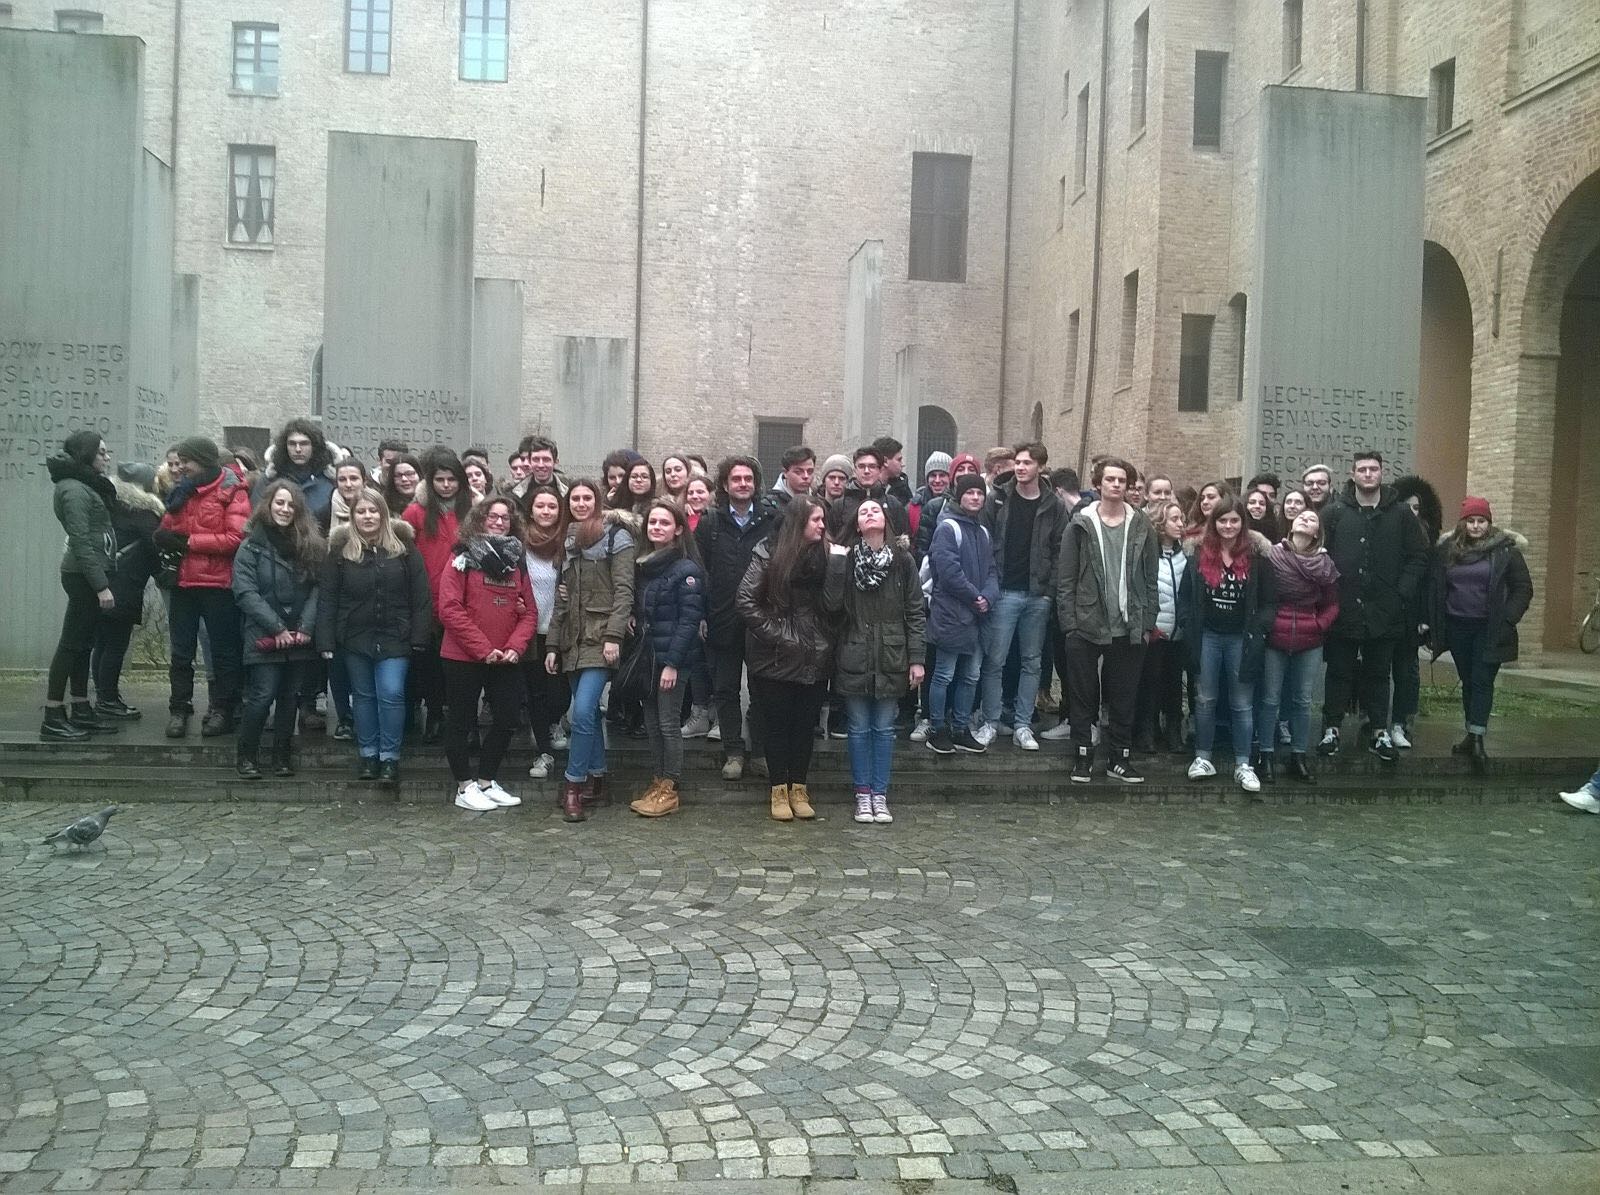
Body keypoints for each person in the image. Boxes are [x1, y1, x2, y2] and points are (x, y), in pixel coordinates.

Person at [737, 496, 844, 821]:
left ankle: (800, 787)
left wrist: (838, 566)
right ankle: (778, 789)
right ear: (799, 522)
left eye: (823, 519)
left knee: (803, 727)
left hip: (816, 652)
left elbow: (834, 605)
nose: (823, 525)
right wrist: (781, 636)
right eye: (816, 520)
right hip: (775, 657)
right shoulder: (768, 552)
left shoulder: (828, 554)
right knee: (777, 726)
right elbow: (745, 600)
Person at [1318, 451, 1428, 763]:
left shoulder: (1401, 514)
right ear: (1352, 474)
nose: (1368, 474)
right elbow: (1319, 554)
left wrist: (1400, 593)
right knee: (1339, 671)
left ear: (1382, 473)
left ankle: (1379, 730)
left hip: (1385, 610)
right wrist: (1330, 594)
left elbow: (1419, 556)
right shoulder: (1335, 512)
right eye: (1362, 470)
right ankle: (1332, 728)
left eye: (1374, 469)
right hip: (1343, 609)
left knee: (1379, 673)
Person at [317, 490, 433, 786]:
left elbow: (420, 595)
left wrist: (420, 635)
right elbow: (328, 597)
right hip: (354, 636)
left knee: (392, 693)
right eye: (361, 512)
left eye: (373, 511)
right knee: (364, 697)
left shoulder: (404, 548)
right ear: (352, 516)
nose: (367, 517)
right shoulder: (340, 552)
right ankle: (368, 754)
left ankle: (390, 757)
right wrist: (326, 640)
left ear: (383, 515)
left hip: (396, 635)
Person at [1055, 457, 1158, 783]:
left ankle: (1120, 758)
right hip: (1086, 622)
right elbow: (1066, 579)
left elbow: (1151, 578)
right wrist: (1070, 624)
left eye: (1122, 480)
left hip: (1129, 624)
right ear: (1098, 484)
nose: (1116, 485)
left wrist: (1147, 621)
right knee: (1084, 696)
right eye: (1110, 479)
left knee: (1124, 697)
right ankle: (1083, 756)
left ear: (1128, 487)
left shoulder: (1142, 525)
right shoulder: (1080, 524)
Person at [828, 497, 925, 824]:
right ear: (857, 524)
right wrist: (837, 566)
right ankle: (863, 794)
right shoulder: (847, 558)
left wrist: (917, 658)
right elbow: (831, 605)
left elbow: (915, 611)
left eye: (876, 510)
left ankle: (880, 794)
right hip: (855, 651)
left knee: (883, 729)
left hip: (892, 653)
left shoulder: (903, 561)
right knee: (858, 728)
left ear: (885, 519)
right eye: (863, 511)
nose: (870, 513)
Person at [438, 496, 537, 811]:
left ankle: (486, 781)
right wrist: (484, 649)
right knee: (461, 720)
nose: (499, 521)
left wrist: (514, 647)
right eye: (492, 516)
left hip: (504, 657)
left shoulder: (516, 561)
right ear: (479, 519)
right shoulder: (461, 556)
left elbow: (529, 613)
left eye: (505, 518)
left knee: (507, 717)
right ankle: (464, 786)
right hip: (463, 656)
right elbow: (449, 609)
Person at [546, 480, 637, 822]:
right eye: (575, 499)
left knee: (581, 712)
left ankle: (573, 785)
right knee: (589, 716)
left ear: (597, 501)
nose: (581, 503)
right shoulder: (568, 539)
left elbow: (625, 592)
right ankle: (597, 779)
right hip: (572, 639)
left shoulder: (617, 537)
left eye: (587, 498)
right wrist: (553, 643)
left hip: (601, 639)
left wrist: (614, 636)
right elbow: (561, 598)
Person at [1179, 495, 1278, 795]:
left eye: (1234, 520)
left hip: (1241, 637)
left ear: (1242, 523)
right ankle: (1203, 757)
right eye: (1223, 520)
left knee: (1242, 702)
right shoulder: (1199, 555)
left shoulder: (1257, 558)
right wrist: (1188, 622)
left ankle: (1243, 763)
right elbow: (1186, 596)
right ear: (1214, 523)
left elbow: (1269, 602)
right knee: (1206, 699)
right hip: (1207, 635)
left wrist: (1259, 627)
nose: (1228, 526)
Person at [1428, 497, 1532, 774]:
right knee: (1468, 681)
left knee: (1483, 680)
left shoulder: (1506, 551)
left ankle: (1477, 738)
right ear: (1463, 522)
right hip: (1457, 626)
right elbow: (1436, 586)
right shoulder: (1447, 550)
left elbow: (1523, 588)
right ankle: (1471, 732)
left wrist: (1508, 619)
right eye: (1471, 521)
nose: (1476, 526)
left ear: (1489, 522)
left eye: (1481, 521)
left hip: (1491, 628)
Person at [157, 436, 251, 739]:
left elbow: (236, 539)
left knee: (224, 651)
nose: (180, 467)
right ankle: (179, 709)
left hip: (218, 584)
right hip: (183, 582)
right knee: (181, 652)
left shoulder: (232, 490)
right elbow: (168, 526)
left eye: (186, 461)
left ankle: (223, 708)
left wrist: (188, 542)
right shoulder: (181, 491)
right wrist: (162, 535)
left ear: (203, 461)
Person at [232, 480, 325, 779]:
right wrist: (276, 627)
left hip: (299, 636)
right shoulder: (251, 546)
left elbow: (317, 590)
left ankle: (281, 757)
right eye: (279, 503)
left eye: (290, 505)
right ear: (268, 505)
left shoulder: (309, 545)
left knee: (290, 699)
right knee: (262, 697)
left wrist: (305, 627)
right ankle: (246, 756)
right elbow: (246, 592)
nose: (284, 509)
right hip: (263, 635)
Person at [977, 443, 1064, 751]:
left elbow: (1059, 550)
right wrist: (990, 584)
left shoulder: (1054, 504)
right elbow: (984, 540)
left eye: (1027, 462)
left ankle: (1023, 725)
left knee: (1031, 662)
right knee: (995, 659)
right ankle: (990, 720)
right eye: (1018, 462)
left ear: (1040, 466)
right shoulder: (999, 498)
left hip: (1037, 594)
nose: (1020, 467)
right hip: (1004, 590)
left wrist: (1049, 591)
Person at [696, 456, 779, 781]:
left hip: (762, 620)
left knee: (761, 690)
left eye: (748, 478)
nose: (742, 483)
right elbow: (700, 571)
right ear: (725, 485)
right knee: (726, 689)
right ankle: (733, 751)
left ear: (756, 483)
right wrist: (702, 614)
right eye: (736, 479)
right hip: (722, 616)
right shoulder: (710, 523)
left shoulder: (772, 520)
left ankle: (758, 749)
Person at [629, 499, 708, 818]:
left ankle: (670, 787)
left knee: (667, 722)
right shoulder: (645, 564)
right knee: (651, 723)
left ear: (678, 529)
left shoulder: (686, 570)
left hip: (672, 660)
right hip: (649, 657)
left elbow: (689, 621)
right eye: (652, 523)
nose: (656, 527)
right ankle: (658, 778)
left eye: (664, 523)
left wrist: (673, 664)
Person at [41, 431, 120, 741]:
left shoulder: (84, 485)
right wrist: (101, 585)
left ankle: (81, 707)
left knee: (83, 643)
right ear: (87, 454)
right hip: (82, 576)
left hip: (91, 573)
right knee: (71, 644)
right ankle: (53, 714)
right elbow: (81, 541)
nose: (107, 457)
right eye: (101, 452)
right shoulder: (74, 490)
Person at [1256, 508, 1339, 784]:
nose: (1305, 518)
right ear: (1291, 525)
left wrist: (1319, 625)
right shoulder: (1272, 556)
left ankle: (1298, 756)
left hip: (1309, 638)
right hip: (1275, 635)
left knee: (1303, 701)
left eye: (1312, 518)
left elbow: (1332, 603)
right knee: (1270, 699)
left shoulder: (1325, 565)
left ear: (1317, 532)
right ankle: (1265, 755)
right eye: (1301, 516)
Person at [924, 473, 998, 755]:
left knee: (971, 676)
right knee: (943, 674)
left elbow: (992, 570)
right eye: (970, 493)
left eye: (980, 493)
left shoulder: (983, 532)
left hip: (977, 616)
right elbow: (948, 571)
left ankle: (960, 727)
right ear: (959, 496)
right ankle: (937, 727)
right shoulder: (948, 527)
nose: (976, 498)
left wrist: (988, 597)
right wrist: (975, 597)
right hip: (951, 614)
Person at [402, 449, 474, 742]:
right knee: (431, 663)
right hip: (428, 597)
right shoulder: (416, 512)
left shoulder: (472, 510)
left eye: (452, 480)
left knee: (460, 667)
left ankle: (462, 720)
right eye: (440, 480)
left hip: (465, 599)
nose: (446, 485)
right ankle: (435, 714)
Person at [90, 462, 165, 722]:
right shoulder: (144, 513)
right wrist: (164, 574)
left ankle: (104, 697)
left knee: (101, 643)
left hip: (102, 581)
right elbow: (156, 548)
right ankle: (108, 700)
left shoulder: (111, 506)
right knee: (115, 645)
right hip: (125, 585)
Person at [1390, 475, 1443, 748]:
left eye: (1416, 507)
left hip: (1412, 616)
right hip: (1386, 611)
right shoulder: (1389, 534)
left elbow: (1430, 585)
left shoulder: (1429, 541)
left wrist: (1425, 618)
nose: (1411, 512)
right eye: (1406, 506)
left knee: (1406, 671)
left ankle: (1401, 720)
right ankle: (1374, 720)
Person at [1132, 499, 1188, 755]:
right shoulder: (1148, 553)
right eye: (1174, 519)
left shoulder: (1185, 554)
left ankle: (1174, 730)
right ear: (1160, 523)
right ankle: (1147, 730)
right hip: (1155, 631)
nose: (1180, 524)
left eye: (1181, 519)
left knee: (1174, 685)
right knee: (1150, 683)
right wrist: (1148, 624)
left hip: (1179, 633)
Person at [520, 484, 568, 781]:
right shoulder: (519, 545)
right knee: (536, 692)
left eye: (552, 506)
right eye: (541, 506)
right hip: (529, 630)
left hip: (560, 628)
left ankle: (555, 722)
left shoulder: (568, 543)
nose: (546, 511)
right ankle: (544, 751)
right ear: (531, 510)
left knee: (560, 691)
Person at [256, 419, 338, 530]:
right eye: (292, 444)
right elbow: (255, 519)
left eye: (304, 443)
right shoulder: (269, 480)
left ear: (314, 446)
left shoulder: (329, 482)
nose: (298, 449)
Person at [830, 446, 911, 540]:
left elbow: (903, 540)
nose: (866, 471)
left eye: (872, 466)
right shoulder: (840, 506)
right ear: (855, 470)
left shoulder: (893, 504)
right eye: (861, 466)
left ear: (880, 470)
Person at [908, 451, 952, 544]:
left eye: (942, 475)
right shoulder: (914, 507)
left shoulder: (958, 506)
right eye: (933, 475)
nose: (937, 480)